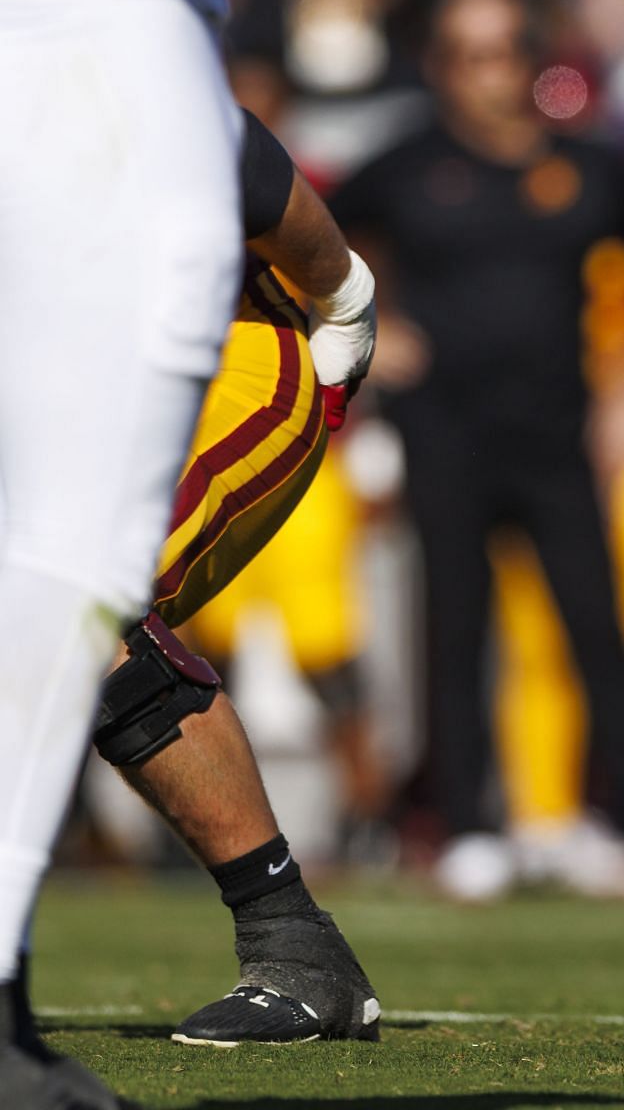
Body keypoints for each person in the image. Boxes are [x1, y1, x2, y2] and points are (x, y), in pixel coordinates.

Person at [0, 0, 287, 1105]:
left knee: (74, 575)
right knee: (62, 570)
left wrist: (332, 279)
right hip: (68, 65)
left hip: (111, 61)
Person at [329, 0, 624, 900]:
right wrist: (368, 326)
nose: (486, 75)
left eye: (502, 53)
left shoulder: (589, 167)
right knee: (454, 630)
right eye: (465, 56)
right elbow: (311, 235)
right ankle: (467, 824)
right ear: (440, 67)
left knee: (597, 626)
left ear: (531, 60)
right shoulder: (403, 166)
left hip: (560, 435)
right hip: (445, 434)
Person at [84, 112, 381, 1049]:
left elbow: (224, 143)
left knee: (75, 609)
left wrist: (344, 297)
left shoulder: (60, 30)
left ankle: (294, 946)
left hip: (223, 353)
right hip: (69, 380)